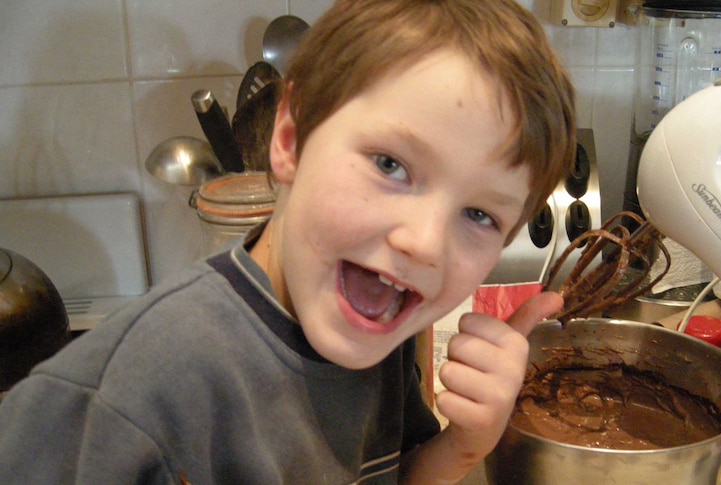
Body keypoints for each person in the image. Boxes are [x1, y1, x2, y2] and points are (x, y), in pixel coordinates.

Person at [0, 0, 576, 482]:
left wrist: (465, 446)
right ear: (292, 139)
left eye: (478, 213)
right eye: (390, 164)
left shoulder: (376, 325)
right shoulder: (129, 398)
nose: (425, 244)